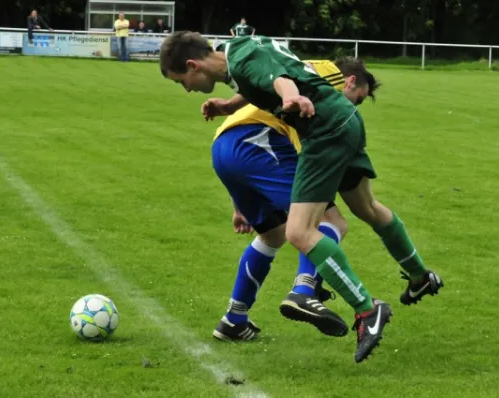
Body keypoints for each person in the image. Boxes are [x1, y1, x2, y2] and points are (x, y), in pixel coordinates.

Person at [160, 32, 443, 363]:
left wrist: (292, 98)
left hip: (323, 130)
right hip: (343, 121)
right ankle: (420, 276)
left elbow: (280, 80)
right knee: (367, 208)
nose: (187, 88)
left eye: (183, 81)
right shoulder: (239, 48)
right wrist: (230, 105)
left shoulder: (242, 60)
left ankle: (367, 310)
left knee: (298, 231)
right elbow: (269, 73)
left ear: (193, 65)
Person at [209, 58, 378, 343]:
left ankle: (234, 319)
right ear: (349, 81)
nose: (353, 107)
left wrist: (239, 203)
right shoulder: (327, 80)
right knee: (329, 221)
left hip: (225, 146)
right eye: (357, 100)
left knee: (273, 234)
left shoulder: (299, 68)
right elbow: (309, 154)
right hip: (260, 141)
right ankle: (304, 292)